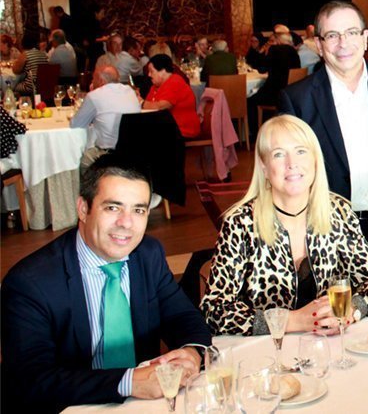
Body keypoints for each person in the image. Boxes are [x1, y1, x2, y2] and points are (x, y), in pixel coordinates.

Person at [0, 155, 212, 413]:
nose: (126, 223)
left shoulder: (148, 254)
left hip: (141, 406)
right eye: (113, 208)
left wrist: (191, 351)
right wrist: (128, 382)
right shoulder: (30, 283)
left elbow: (182, 316)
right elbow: (33, 380)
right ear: (83, 209)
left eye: (138, 210)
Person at [201, 115, 368, 335]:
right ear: (263, 167)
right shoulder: (240, 224)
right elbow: (214, 310)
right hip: (265, 357)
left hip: (330, 349)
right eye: (279, 154)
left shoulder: (338, 212)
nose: (292, 164)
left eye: (301, 151)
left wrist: (352, 310)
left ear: (315, 160)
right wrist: (293, 321)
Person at [279, 1, 368, 277]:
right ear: (319, 45)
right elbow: (291, 177)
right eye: (332, 35)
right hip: (326, 233)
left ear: (365, 38)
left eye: (351, 33)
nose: (343, 43)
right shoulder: (297, 99)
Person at [71, 66, 141, 174]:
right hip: (134, 152)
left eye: (93, 79)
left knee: (78, 159)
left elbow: (76, 125)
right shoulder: (130, 92)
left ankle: (89, 189)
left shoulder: (94, 96)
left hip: (107, 155)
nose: (92, 82)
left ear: (101, 81)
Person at [143, 54, 200, 139]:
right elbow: (147, 108)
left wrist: (140, 102)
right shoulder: (155, 86)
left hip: (182, 131)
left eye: (151, 71)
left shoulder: (175, 82)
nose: (149, 75)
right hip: (168, 129)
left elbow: (161, 107)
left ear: (163, 71)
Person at [13, 32, 47, 96]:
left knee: (12, 86)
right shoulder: (42, 54)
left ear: (23, 43)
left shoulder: (25, 54)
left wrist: (15, 63)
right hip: (43, 85)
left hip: (31, 86)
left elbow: (16, 71)